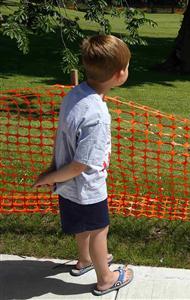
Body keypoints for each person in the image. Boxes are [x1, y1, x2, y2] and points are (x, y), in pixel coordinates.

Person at [32, 35, 133, 296]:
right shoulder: (98, 117)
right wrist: (50, 175)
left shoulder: (76, 94)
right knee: (99, 229)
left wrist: (55, 174)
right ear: (120, 74)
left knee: (82, 227)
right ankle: (106, 278)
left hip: (67, 186)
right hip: (86, 186)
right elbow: (81, 165)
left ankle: (85, 260)